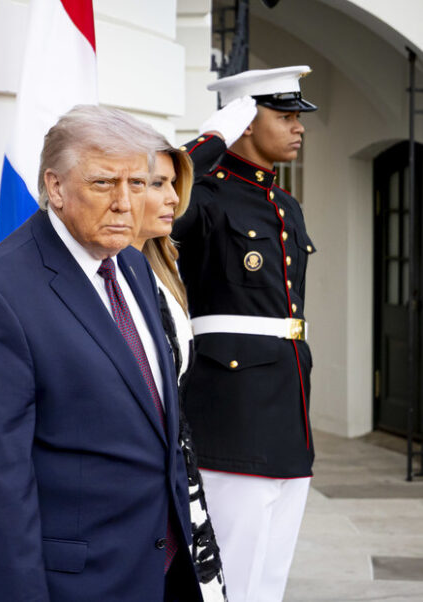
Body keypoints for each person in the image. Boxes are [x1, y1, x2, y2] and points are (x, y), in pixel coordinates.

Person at [0, 105, 201, 602]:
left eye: (137, 183)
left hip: (152, 569)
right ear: (55, 187)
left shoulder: (132, 265)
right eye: (103, 183)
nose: (124, 203)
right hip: (67, 583)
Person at [173, 66, 317, 602]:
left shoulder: (285, 204)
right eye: (285, 116)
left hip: (287, 408)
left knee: (270, 576)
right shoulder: (204, 196)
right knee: (228, 573)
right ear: (247, 122)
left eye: (298, 117)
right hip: (231, 409)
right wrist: (210, 141)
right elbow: (152, 205)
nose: (298, 127)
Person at [132, 142, 228, 602]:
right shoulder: (106, 280)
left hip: (179, 480)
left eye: (174, 184)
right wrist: (219, 136)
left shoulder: (163, 268)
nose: (173, 198)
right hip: (136, 494)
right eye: (157, 184)